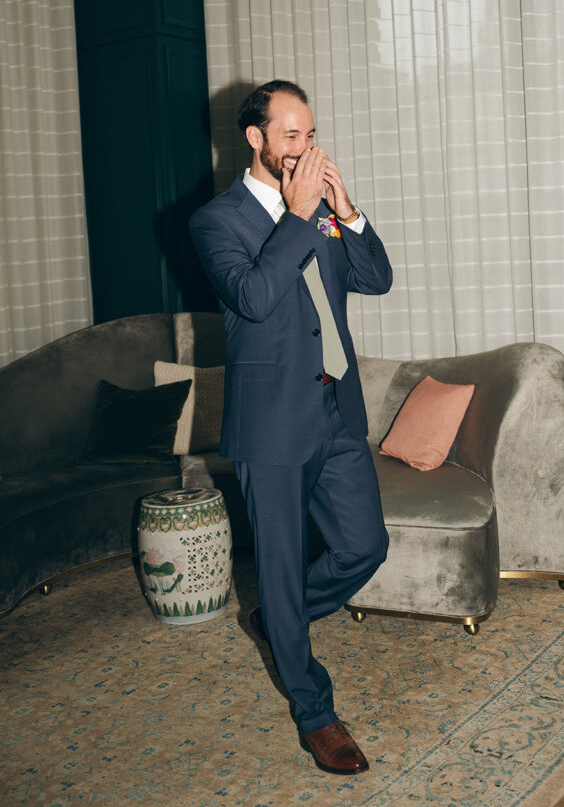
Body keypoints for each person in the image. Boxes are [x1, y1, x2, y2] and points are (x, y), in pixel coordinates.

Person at [189, 79, 393, 775]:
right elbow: (251, 296)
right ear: (256, 139)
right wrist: (299, 216)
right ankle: (316, 716)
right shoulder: (215, 221)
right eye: (290, 136)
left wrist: (346, 211)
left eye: (309, 133)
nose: (304, 148)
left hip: (337, 410)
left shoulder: (322, 212)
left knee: (366, 545)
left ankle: (279, 620)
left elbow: (375, 280)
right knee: (276, 567)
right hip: (271, 423)